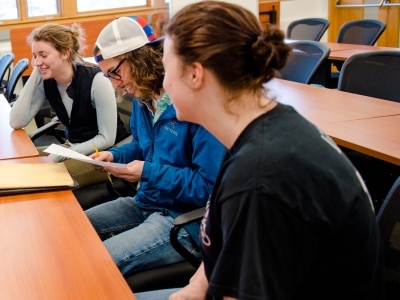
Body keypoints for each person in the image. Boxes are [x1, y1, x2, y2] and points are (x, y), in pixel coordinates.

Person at [152, 1, 383, 299]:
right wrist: (190, 291)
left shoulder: (262, 177)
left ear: (195, 74)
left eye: (166, 68)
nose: (165, 82)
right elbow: (224, 251)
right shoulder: (258, 129)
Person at [84, 16, 225, 277]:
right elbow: (143, 145)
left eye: (115, 72)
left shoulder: (193, 103)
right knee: (74, 228)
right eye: (108, 77)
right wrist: (113, 155)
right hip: (148, 201)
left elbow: (209, 189)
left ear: (138, 57)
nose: (116, 85)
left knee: (93, 266)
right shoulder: (143, 96)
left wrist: (147, 172)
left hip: (183, 220)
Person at [9, 23, 128, 187]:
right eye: (35, 56)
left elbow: (106, 139)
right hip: (73, 147)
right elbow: (16, 122)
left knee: (45, 177)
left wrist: (63, 155)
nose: (37, 61)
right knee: (21, 161)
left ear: (64, 53)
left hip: (106, 154)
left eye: (43, 55)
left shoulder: (97, 81)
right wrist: (36, 75)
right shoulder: (48, 83)